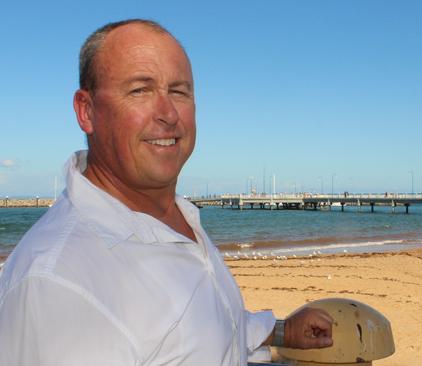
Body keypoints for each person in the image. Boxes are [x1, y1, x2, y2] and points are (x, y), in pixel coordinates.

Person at [0, 19, 332, 365]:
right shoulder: (59, 285)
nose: (168, 114)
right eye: (140, 90)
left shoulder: (174, 216)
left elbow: (192, 326)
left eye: (179, 91)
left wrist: (280, 332)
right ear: (87, 111)